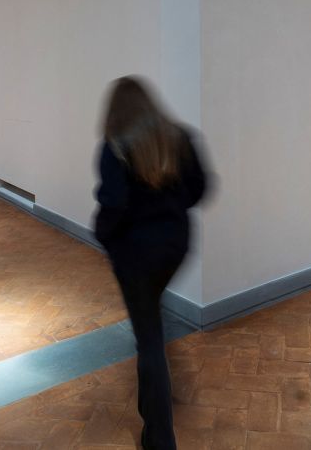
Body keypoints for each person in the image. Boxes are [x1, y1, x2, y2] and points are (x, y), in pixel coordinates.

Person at [93, 76, 209, 450]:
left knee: (149, 342)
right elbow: (202, 187)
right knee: (152, 318)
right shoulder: (180, 137)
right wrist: (171, 211)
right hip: (175, 246)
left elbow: (114, 204)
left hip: (135, 255)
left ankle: (160, 439)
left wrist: (105, 235)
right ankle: (159, 392)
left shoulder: (114, 148)